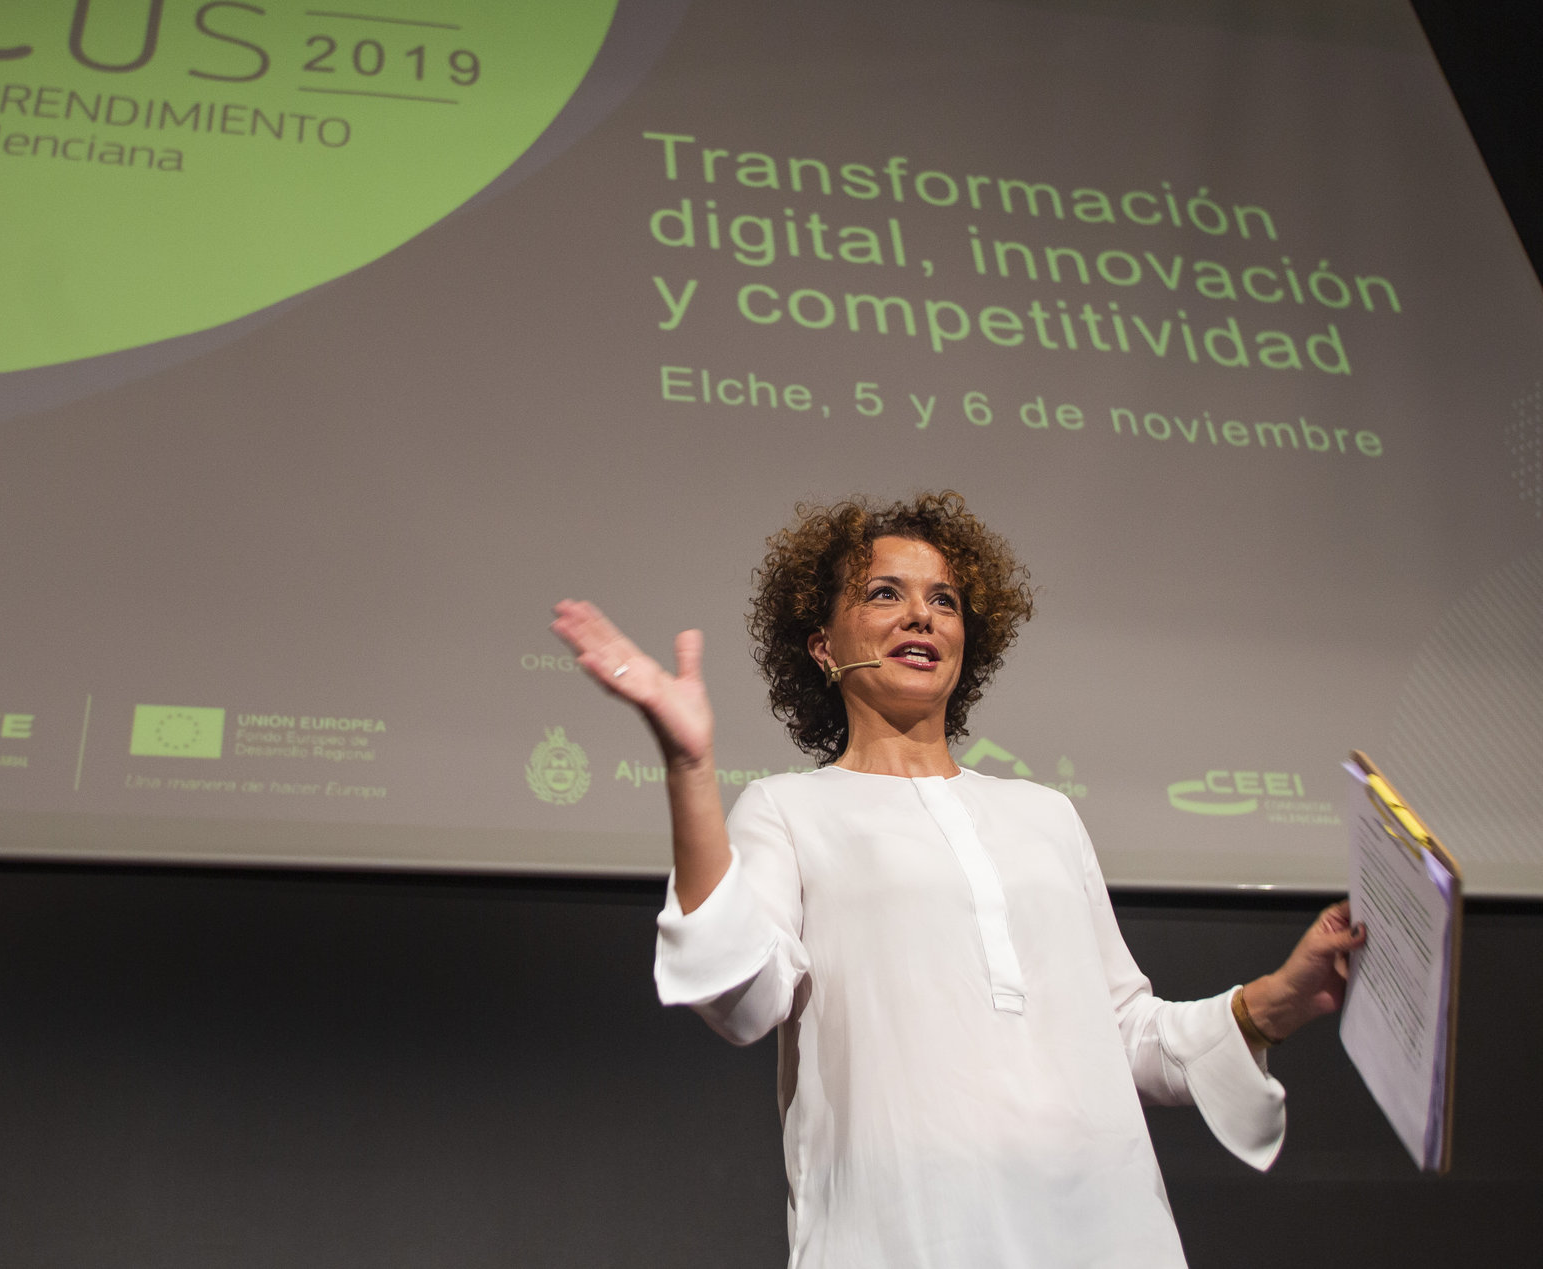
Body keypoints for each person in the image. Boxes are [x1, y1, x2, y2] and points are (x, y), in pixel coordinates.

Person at [550, 492, 1361, 1269]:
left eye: (944, 599)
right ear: (823, 646)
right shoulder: (789, 809)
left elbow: (1124, 1035)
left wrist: (1277, 1001)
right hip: (910, 1238)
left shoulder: (1045, 815)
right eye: (884, 593)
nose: (922, 615)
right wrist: (689, 764)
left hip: (1107, 1234)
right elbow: (740, 996)